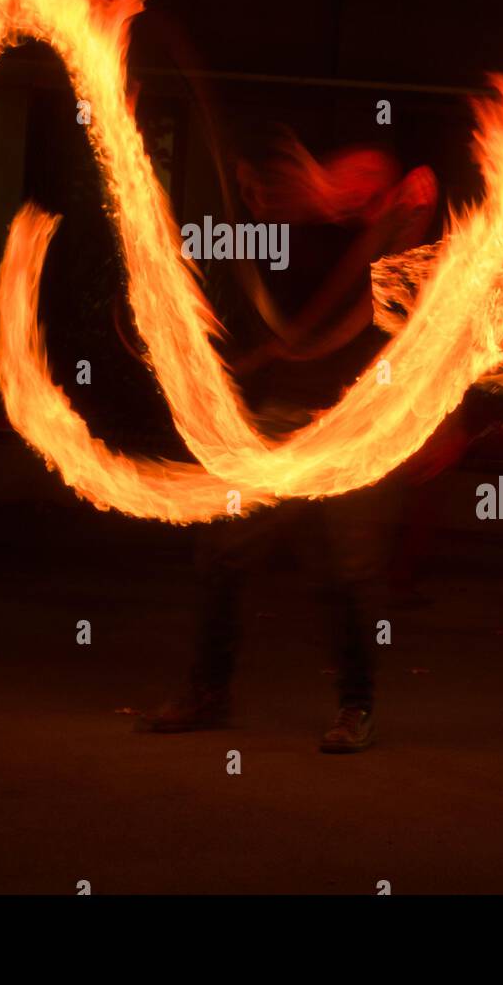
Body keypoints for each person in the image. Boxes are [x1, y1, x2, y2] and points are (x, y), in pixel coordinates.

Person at [136, 138, 438, 752]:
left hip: (361, 426)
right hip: (281, 420)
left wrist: (401, 206)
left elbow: (417, 226)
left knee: (348, 572)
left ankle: (356, 706)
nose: (354, 187)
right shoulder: (295, 239)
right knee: (224, 548)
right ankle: (208, 690)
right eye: (345, 175)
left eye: (368, 181)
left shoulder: (393, 240)